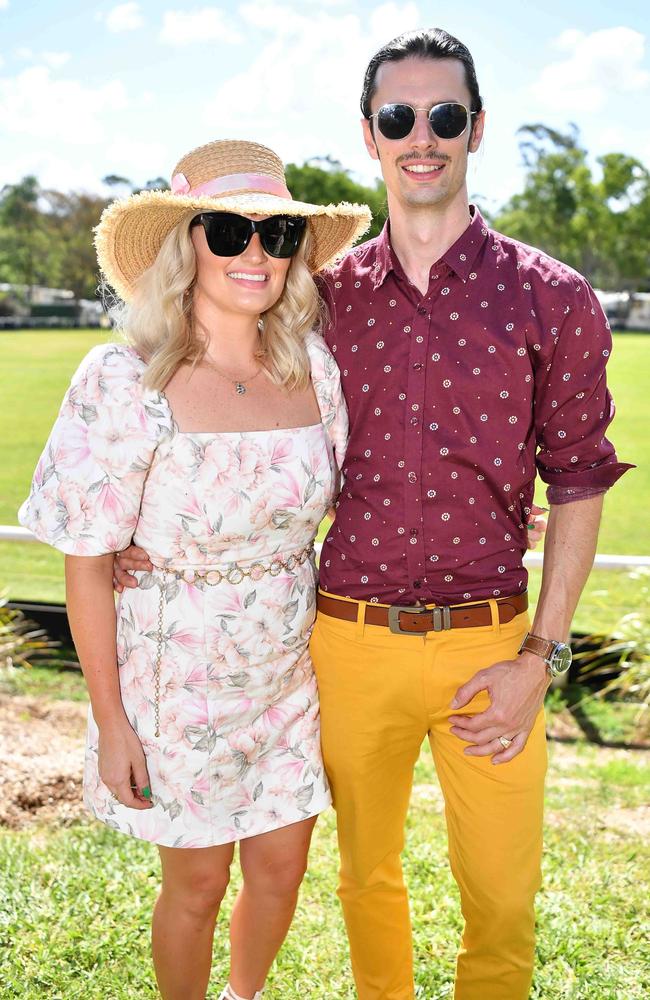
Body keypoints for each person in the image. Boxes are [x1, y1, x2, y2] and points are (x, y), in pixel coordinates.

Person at [18, 138, 371, 1000]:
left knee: (284, 868)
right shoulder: (123, 380)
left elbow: (354, 499)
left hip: (291, 673)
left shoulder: (314, 371)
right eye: (228, 231)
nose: (256, 255)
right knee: (198, 885)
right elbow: (88, 564)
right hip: (176, 684)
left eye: (277, 238)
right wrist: (111, 722)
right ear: (188, 246)